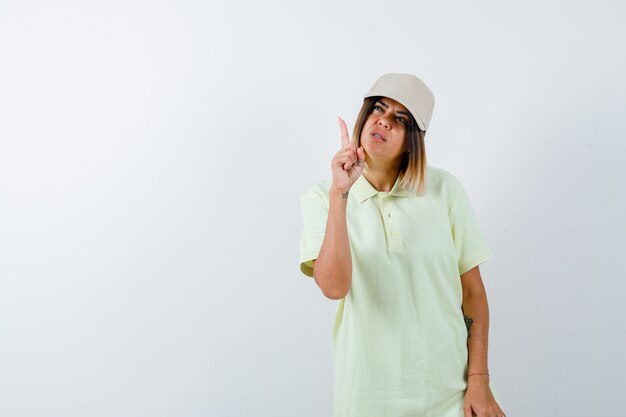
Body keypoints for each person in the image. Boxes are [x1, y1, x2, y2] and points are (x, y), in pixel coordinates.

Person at [298, 73, 506, 417]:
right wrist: (341, 194)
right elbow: (333, 287)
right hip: (368, 399)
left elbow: (473, 294)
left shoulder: (445, 190)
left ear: (412, 141)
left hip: (452, 395)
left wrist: (479, 381)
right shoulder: (323, 196)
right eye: (378, 108)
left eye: (400, 118)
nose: (384, 120)